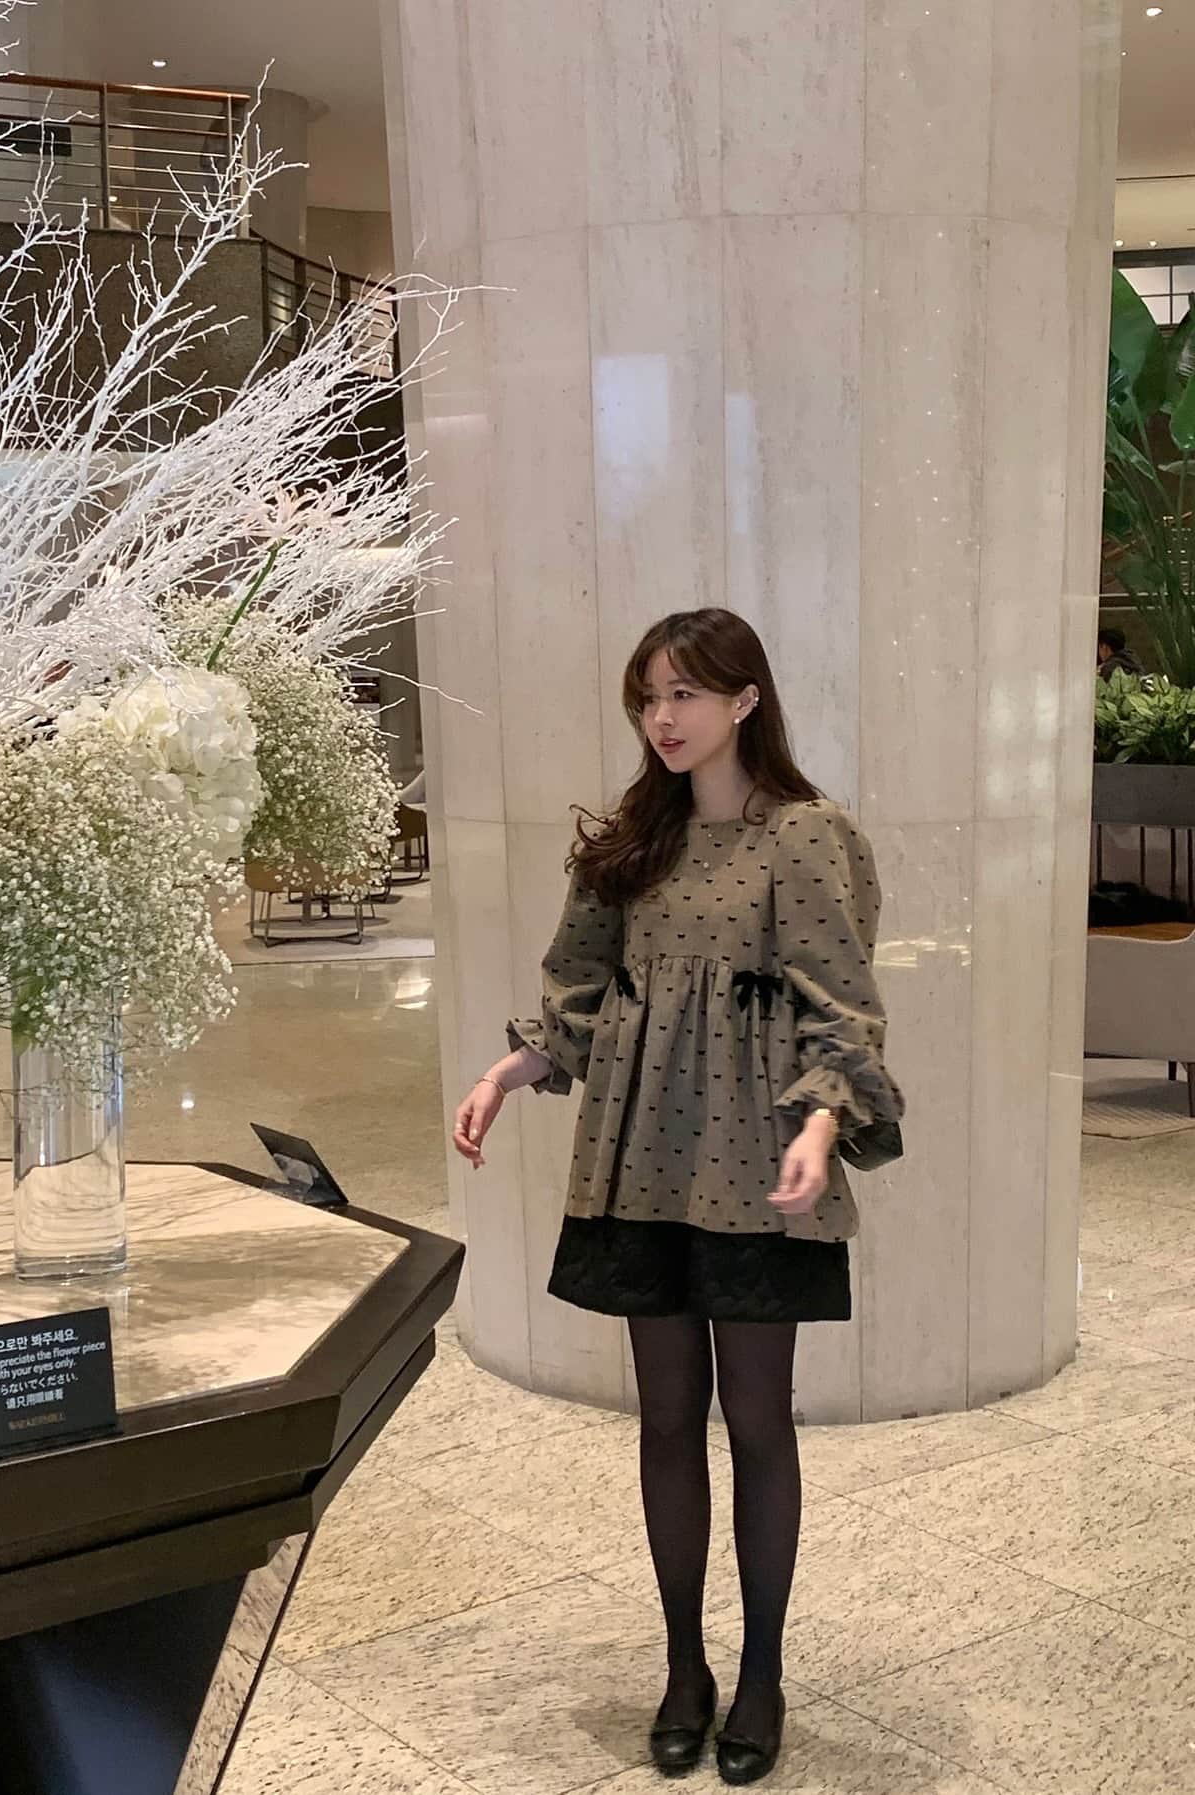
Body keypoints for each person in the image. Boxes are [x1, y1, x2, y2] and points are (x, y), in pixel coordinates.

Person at [453, 608, 903, 1786]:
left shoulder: (807, 835)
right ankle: (684, 1669)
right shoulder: (632, 844)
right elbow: (578, 991)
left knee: (756, 1418)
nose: (663, 716)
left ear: (746, 700)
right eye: (649, 696)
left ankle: (762, 1675)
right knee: (664, 1417)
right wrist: (506, 1072)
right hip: (645, 1151)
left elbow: (842, 1002)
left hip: (756, 1155)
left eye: (686, 693)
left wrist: (822, 1121)